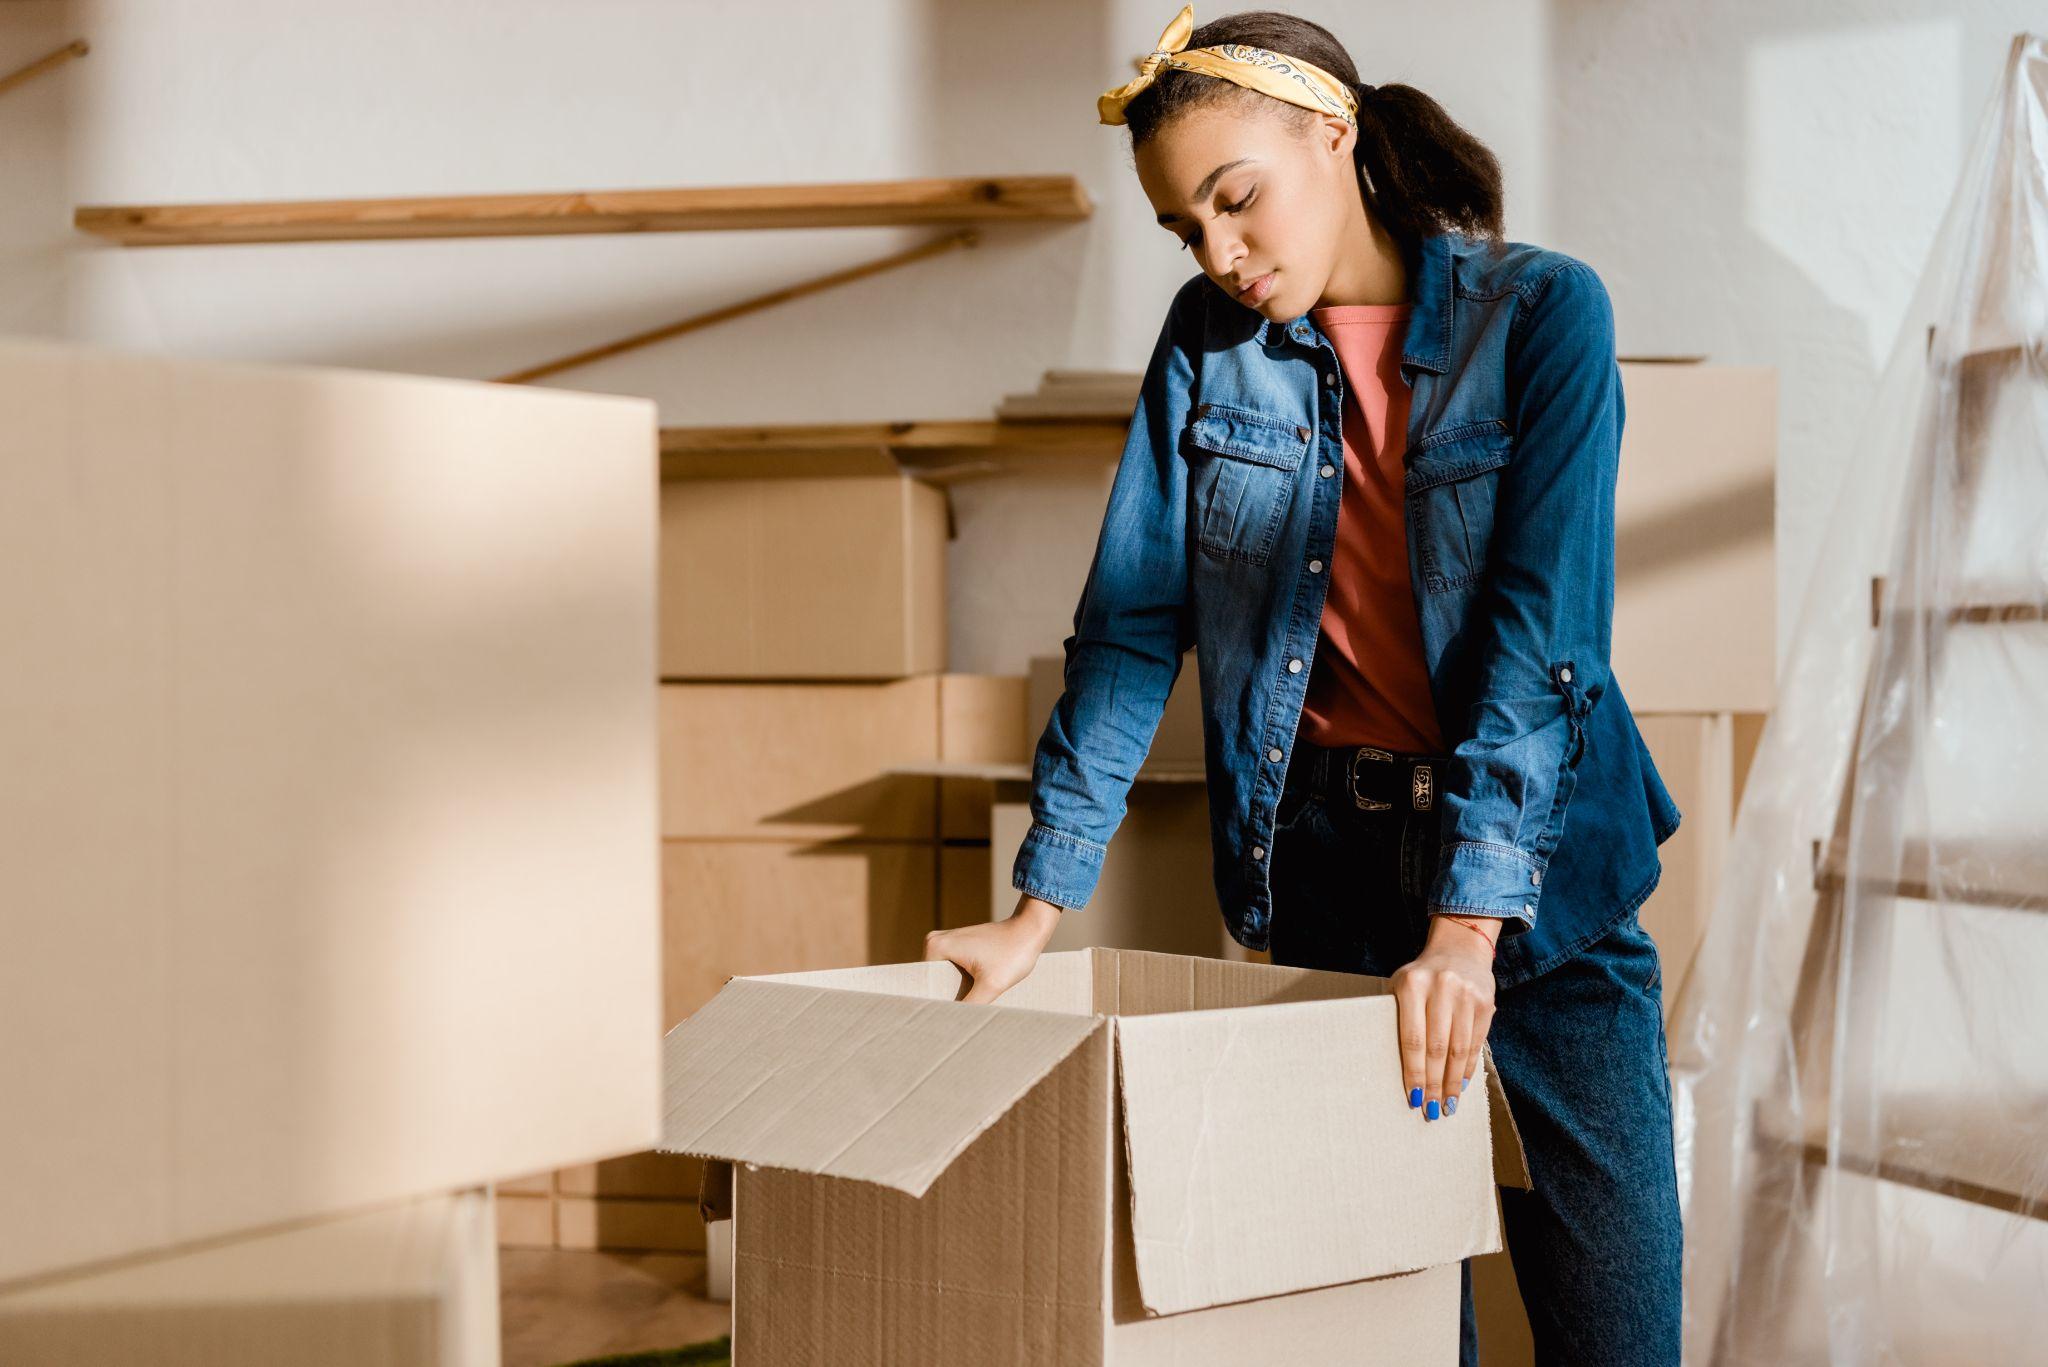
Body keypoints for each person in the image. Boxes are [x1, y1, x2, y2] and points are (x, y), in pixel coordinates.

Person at [924, 6, 1685, 1363]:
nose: (1220, 252)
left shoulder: (1543, 313)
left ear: (1332, 136)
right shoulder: (1205, 344)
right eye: (1184, 227)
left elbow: (1545, 636)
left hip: (1545, 882)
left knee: (1615, 1328)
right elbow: (1128, 624)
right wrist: (1038, 907)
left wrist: (1469, 923)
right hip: (1332, 875)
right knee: (1385, 1330)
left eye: (1236, 199)